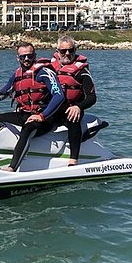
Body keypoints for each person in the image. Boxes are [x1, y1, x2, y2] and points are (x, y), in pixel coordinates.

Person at [0, 42, 65, 172]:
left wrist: (41, 115)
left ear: (35, 56)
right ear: (17, 58)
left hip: (45, 116)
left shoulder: (44, 72)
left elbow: (58, 95)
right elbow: (4, 92)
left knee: (27, 129)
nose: (26, 59)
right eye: (23, 57)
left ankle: (12, 168)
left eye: (29, 56)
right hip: (23, 114)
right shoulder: (17, 74)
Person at [51, 36, 97, 166]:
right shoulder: (49, 67)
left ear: (75, 50)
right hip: (53, 109)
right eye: (63, 51)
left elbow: (92, 97)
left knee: (73, 119)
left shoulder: (82, 72)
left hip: (71, 109)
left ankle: (73, 160)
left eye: (70, 50)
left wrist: (78, 107)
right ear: (57, 51)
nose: (67, 54)